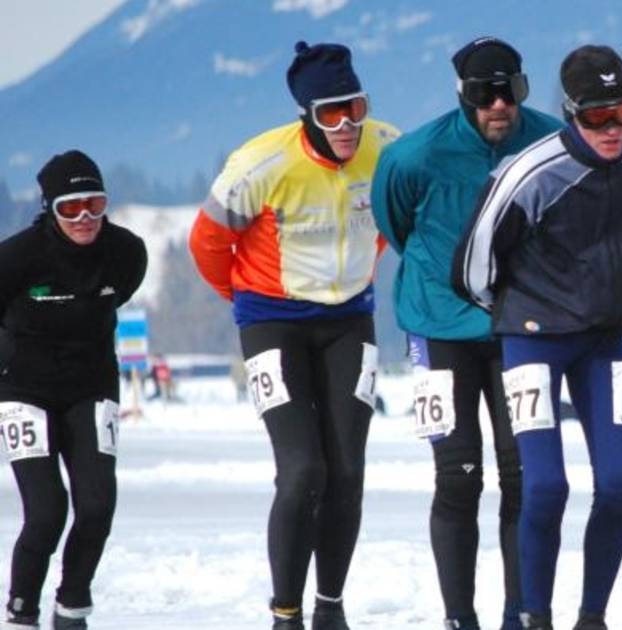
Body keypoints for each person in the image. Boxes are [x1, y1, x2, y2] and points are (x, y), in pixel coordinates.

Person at [452, 45, 622, 630]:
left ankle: (592, 617)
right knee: (546, 486)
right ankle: (533, 616)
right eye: (597, 117)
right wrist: (524, 310)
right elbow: (474, 271)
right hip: (533, 339)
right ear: (571, 112)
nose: (613, 129)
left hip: (604, 337)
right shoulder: (529, 173)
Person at [188, 41, 399, 629]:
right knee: (304, 469)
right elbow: (206, 245)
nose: (348, 125)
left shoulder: (386, 147)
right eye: (331, 113)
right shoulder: (261, 163)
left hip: (348, 321)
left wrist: (363, 270)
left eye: (355, 107)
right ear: (307, 114)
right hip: (272, 324)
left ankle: (330, 607)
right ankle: (287, 612)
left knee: (347, 470)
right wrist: (248, 300)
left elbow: (396, 219)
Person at [370, 36, 561, 630]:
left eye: (511, 92)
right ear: (464, 97)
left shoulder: (551, 142)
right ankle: (459, 619)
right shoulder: (412, 157)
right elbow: (395, 223)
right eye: (485, 95)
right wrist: (451, 279)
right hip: (436, 328)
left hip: (517, 328)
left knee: (523, 475)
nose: (499, 106)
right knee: (458, 475)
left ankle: (519, 614)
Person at [1, 151, 147, 629]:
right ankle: (22, 611)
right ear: (49, 209)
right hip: (24, 389)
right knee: (46, 513)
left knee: (98, 505)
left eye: (95, 204)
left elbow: (118, 293)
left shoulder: (126, 252)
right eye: (70, 208)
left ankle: (72, 606)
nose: (85, 217)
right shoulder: (16, 258)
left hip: (91, 388)